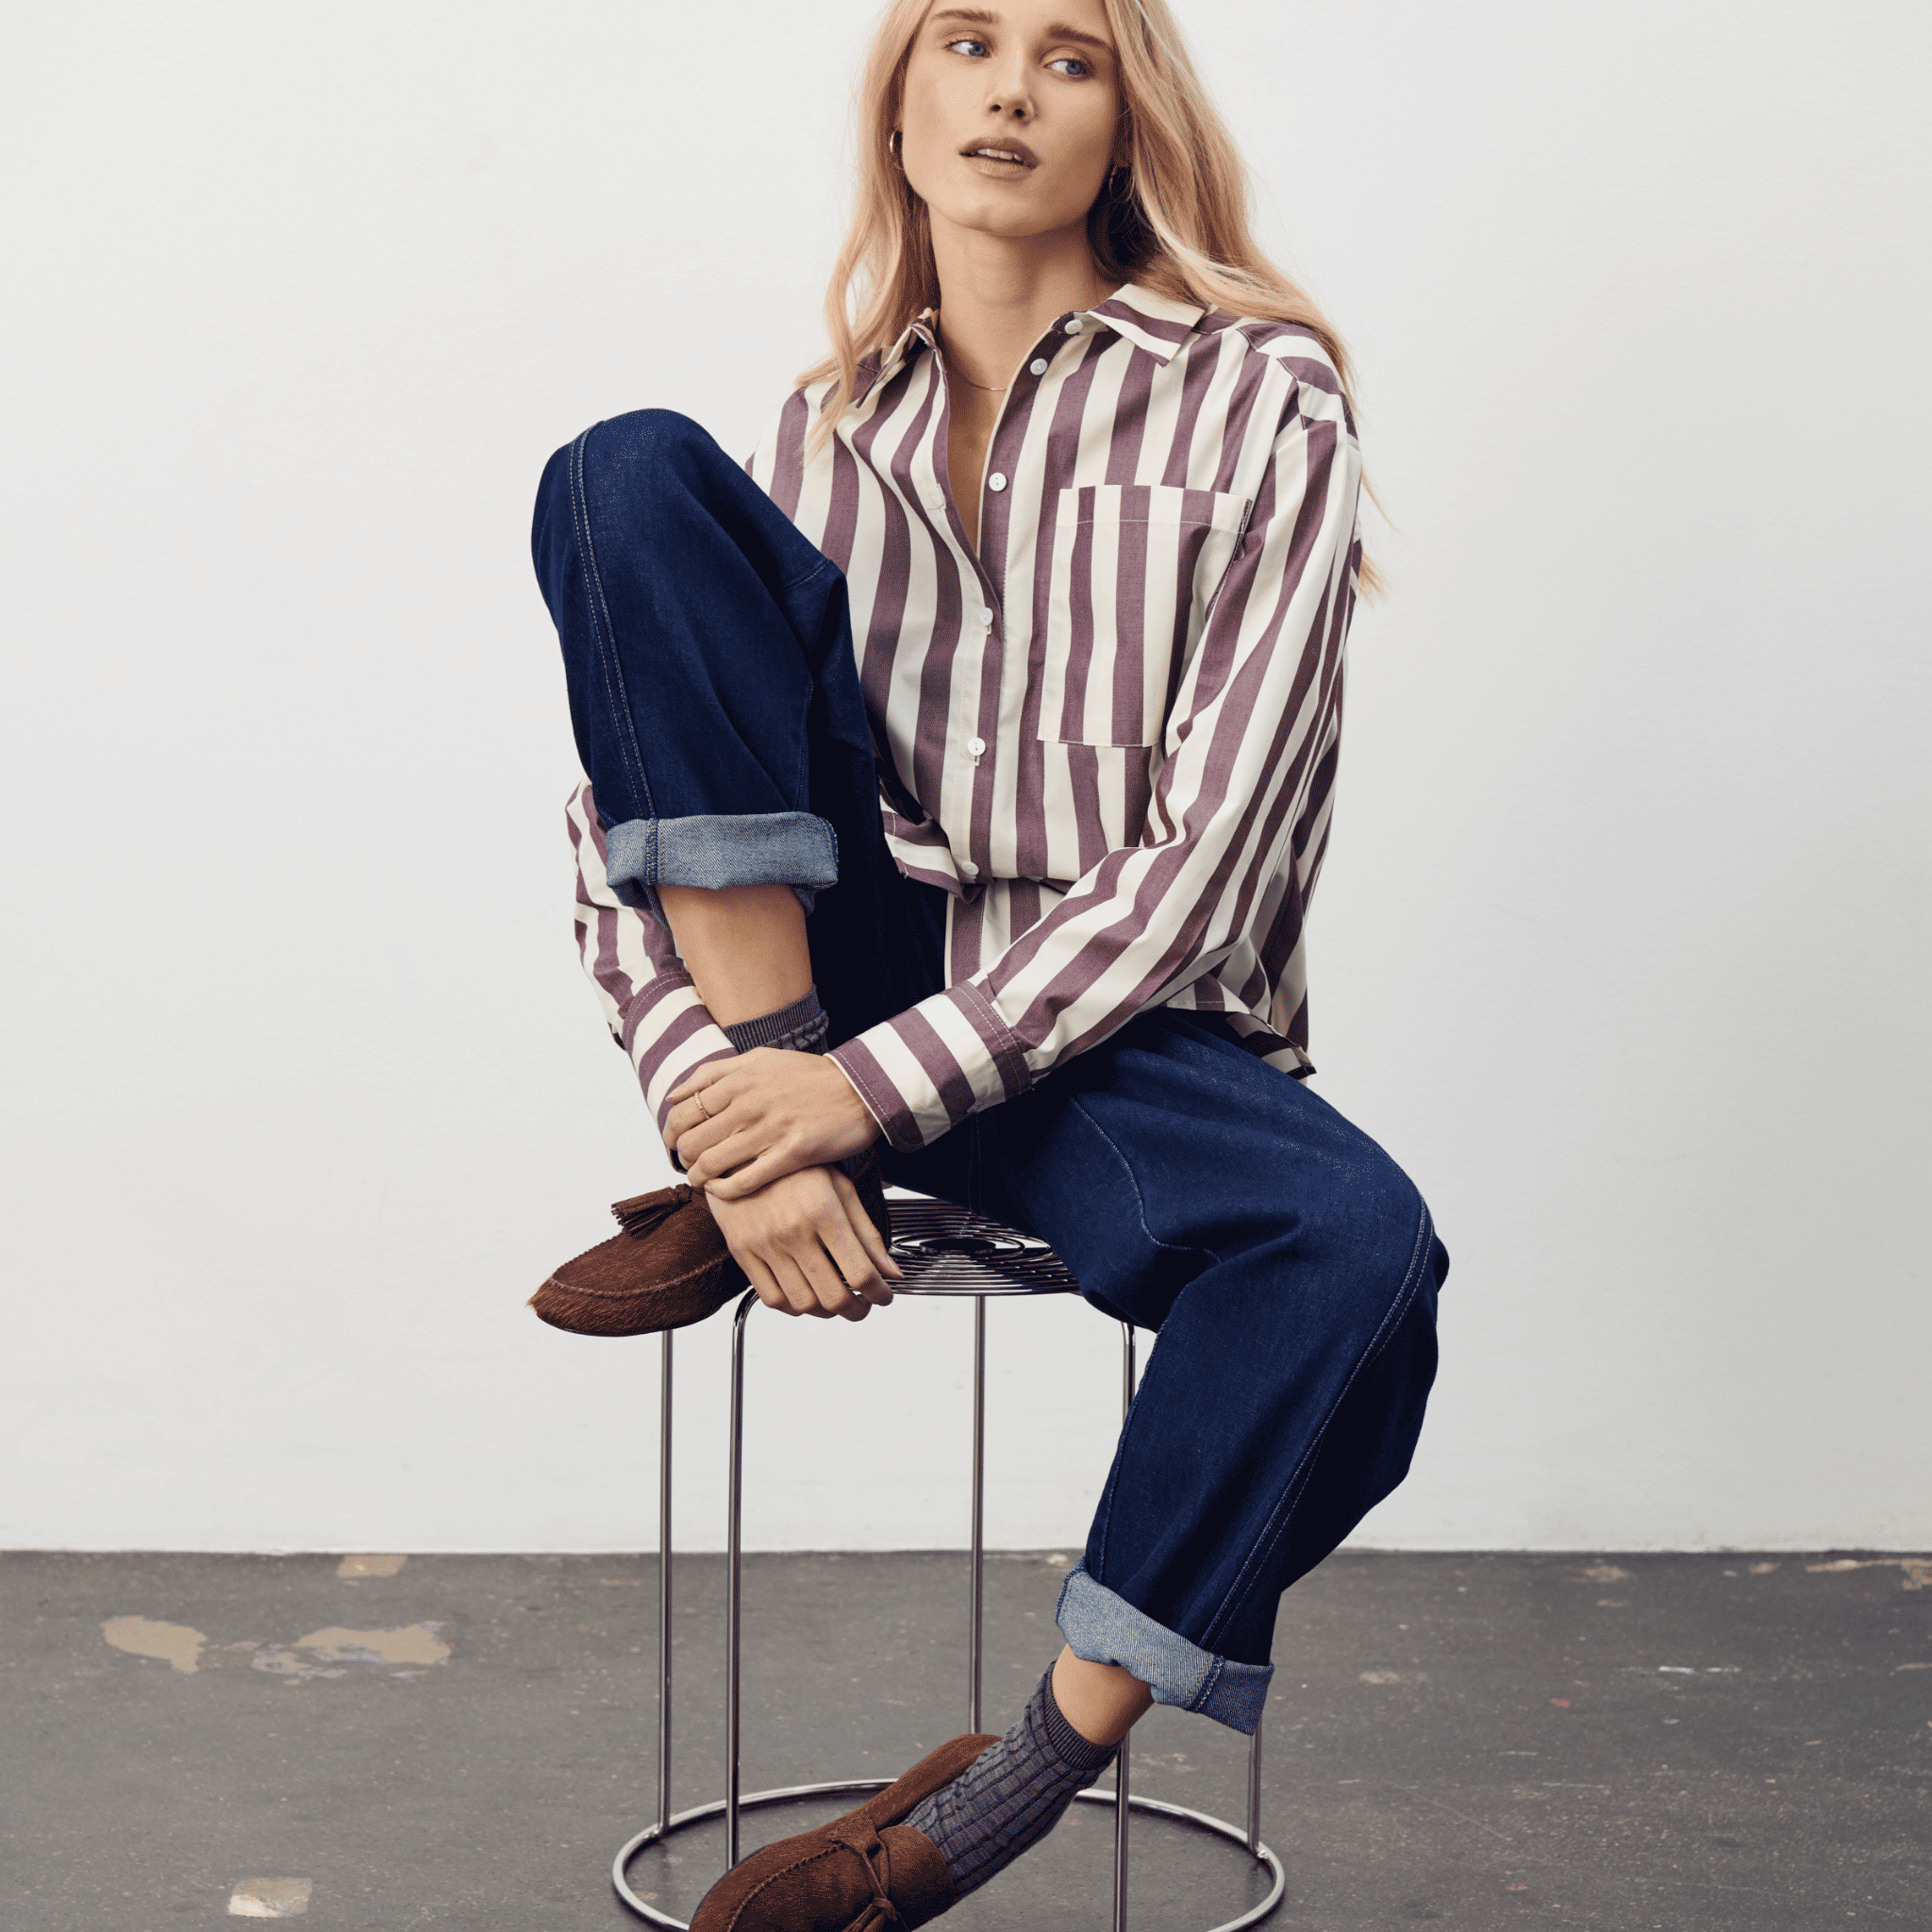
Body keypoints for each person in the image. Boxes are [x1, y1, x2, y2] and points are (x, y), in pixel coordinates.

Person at [530, 0, 1450, 1924]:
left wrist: (859, 1100)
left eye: (1068, 53)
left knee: (1358, 1249)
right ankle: (774, 1133)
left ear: (1128, 119)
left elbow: (1202, 867)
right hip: (833, 986)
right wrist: (741, 1110)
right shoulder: (821, 431)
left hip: (1109, 1023)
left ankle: (983, 1804)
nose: (1010, 88)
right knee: (622, 474)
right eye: (964, 39)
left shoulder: (1260, 398)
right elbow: (621, 826)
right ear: (900, 105)